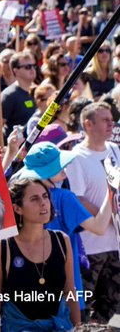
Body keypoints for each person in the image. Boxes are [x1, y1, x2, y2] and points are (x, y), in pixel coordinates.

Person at [17, 141, 112, 313]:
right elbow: (99, 227)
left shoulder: (21, 201)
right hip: (67, 295)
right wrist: (110, 191)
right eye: (58, 164)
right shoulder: (64, 198)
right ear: (45, 172)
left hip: (30, 295)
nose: (65, 167)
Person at [0, 178, 80, 331]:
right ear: (17, 208)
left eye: (45, 196)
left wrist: (79, 328)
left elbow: (70, 293)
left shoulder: (62, 240)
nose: (43, 203)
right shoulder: (0, 248)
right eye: (34, 199)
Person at [63, 101, 120, 322]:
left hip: (114, 244)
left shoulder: (115, 150)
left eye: (112, 119)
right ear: (88, 124)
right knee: (83, 306)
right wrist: (108, 217)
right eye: (105, 120)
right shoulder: (76, 157)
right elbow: (78, 198)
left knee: (110, 303)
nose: (111, 124)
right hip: (91, 248)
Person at [0, 51, 37, 139]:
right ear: (15, 71)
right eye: (27, 67)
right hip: (18, 146)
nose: (32, 69)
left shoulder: (39, 91)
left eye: (34, 66)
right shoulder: (8, 96)